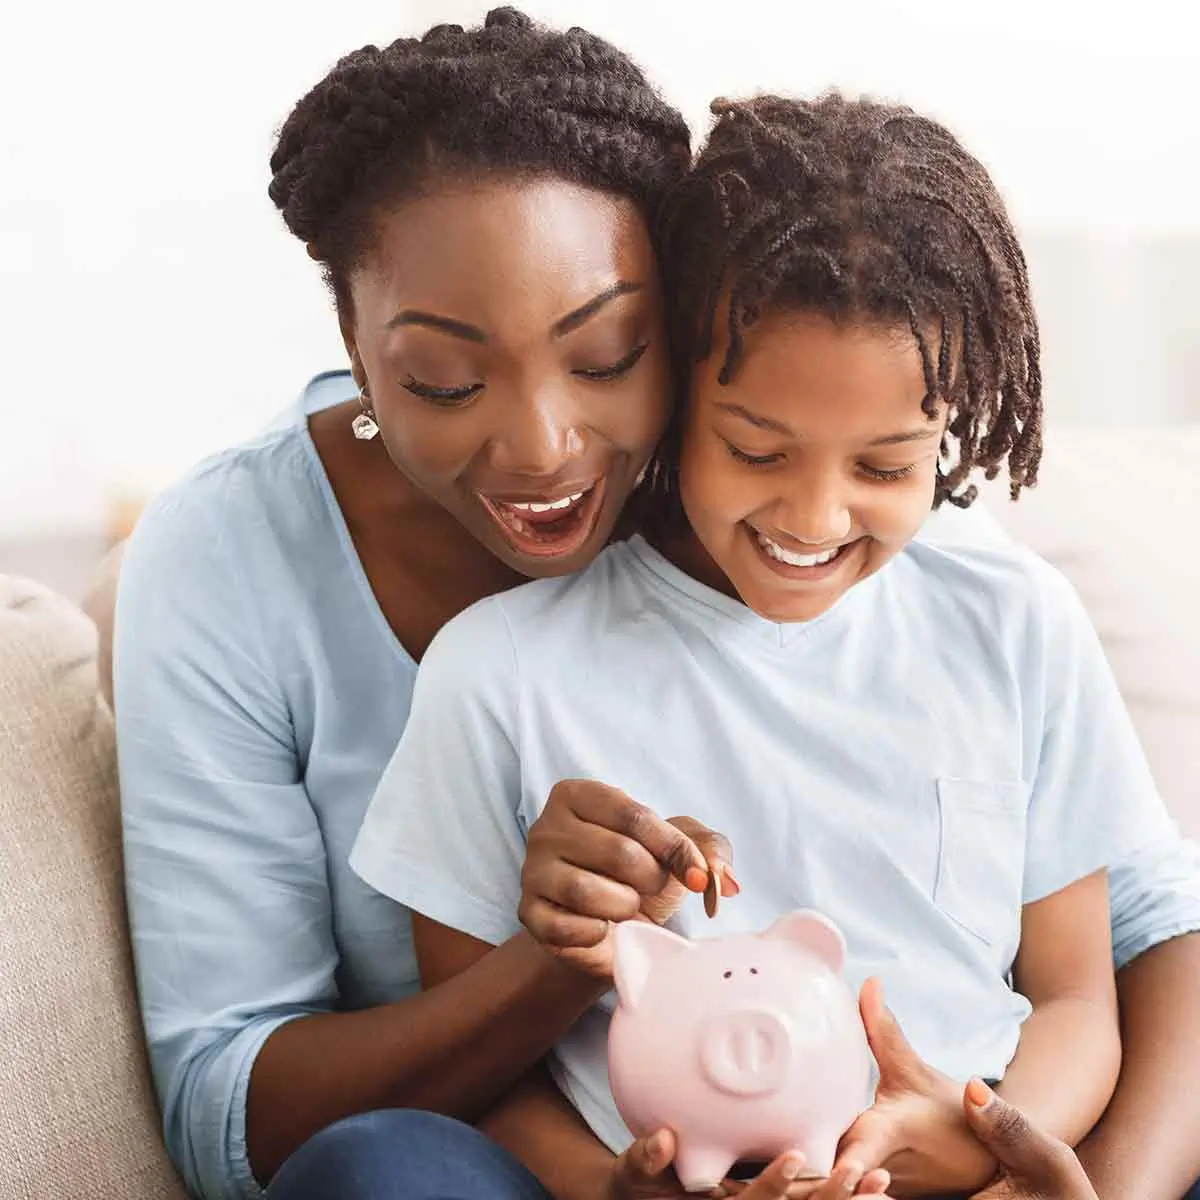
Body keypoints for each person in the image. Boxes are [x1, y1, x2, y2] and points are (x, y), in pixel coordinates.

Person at [113, 8, 1200, 1200]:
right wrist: (563, 967)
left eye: (606, 355)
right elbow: (232, 1099)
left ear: (682, 328)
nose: (542, 447)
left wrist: (1042, 1171)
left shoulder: (913, 561)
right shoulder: (328, 598)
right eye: (443, 378)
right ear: (355, 343)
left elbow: (1121, 947)